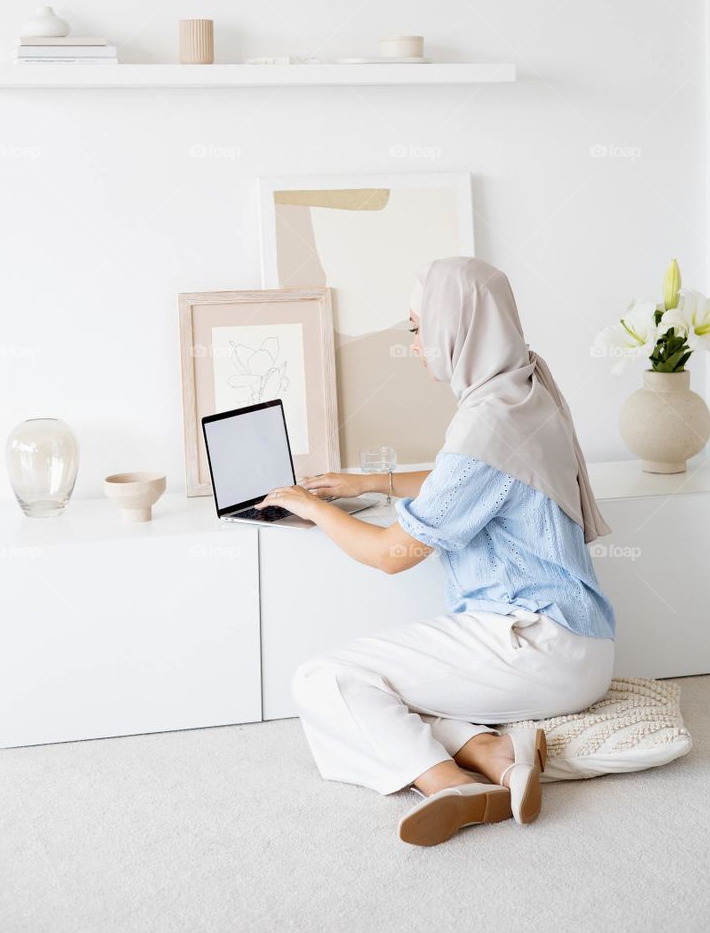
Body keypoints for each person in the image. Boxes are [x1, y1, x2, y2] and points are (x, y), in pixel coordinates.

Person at [260, 256, 615, 847]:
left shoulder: (486, 424)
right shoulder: (522, 390)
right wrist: (371, 482)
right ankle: (500, 754)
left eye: (418, 326)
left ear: (457, 326)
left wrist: (312, 508)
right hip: (583, 647)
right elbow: (474, 477)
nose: (417, 343)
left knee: (325, 678)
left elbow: (392, 555)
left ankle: (450, 786)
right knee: (397, 688)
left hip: (534, 646)